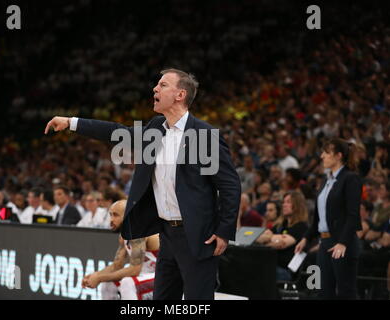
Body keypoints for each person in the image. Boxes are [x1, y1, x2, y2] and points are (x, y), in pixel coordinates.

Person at [45, 68, 241, 300]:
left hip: (198, 236)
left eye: (163, 85)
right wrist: (72, 122)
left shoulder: (204, 135)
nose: (155, 89)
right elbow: (117, 132)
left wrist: (224, 231)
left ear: (180, 95)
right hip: (167, 235)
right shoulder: (155, 129)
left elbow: (230, 185)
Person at [295, 138, 363, 299]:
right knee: (323, 292)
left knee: (346, 292)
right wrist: (306, 238)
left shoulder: (350, 178)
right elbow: (319, 217)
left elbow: (353, 215)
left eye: (326, 152)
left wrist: (343, 242)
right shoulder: (326, 180)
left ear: (338, 155)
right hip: (324, 243)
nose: (322, 156)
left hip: (342, 243)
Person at [82, 200, 159, 300]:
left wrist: (99, 278)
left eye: (115, 215)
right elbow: (117, 265)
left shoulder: (138, 233)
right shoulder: (124, 235)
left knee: (128, 283)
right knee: (108, 282)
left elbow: (134, 270)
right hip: (146, 276)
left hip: (164, 276)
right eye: (110, 215)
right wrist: (95, 275)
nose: (111, 220)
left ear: (127, 215)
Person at [257, 192, 309, 281]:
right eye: (284, 202)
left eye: (288, 202)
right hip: (272, 265)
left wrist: (267, 239)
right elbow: (258, 237)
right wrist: (274, 239)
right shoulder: (280, 225)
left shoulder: (301, 226)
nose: (284, 205)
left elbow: (282, 244)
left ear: (297, 205)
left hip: (285, 271)